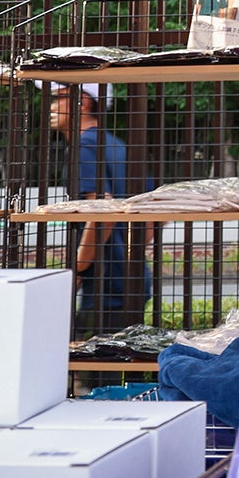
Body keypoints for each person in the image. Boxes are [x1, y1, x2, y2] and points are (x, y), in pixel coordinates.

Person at [48, 84, 148, 334]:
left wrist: (78, 267)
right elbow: (154, 210)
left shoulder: (84, 147)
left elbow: (104, 209)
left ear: (84, 101)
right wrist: (130, 252)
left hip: (103, 283)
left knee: (90, 367)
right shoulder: (117, 145)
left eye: (57, 98)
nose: (50, 107)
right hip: (133, 278)